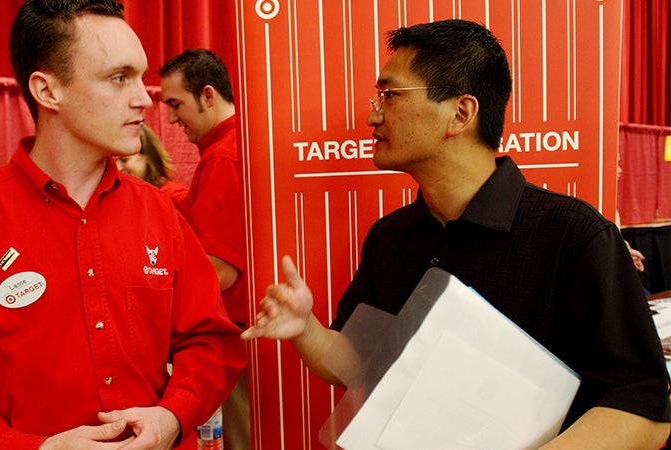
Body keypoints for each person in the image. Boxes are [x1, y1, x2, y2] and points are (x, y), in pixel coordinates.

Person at [243, 19, 671, 448]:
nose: (373, 114)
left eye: (389, 95)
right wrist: (305, 329)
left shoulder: (573, 236)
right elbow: (360, 362)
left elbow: (645, 411)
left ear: (460, 114)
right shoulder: (391, 237)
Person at [0, 1, 244, 449]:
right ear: (48, 92)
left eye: (141, 78)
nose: (145, 98)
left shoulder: (160, 214)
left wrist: (172, 416)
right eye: (118, 77)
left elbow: (211, 344)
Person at [159, 49, 249, 450]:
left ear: (208, 96)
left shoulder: (224, 157)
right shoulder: (229, 148)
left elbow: (221, 270)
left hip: (235, 331)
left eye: (176, 104)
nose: (173, 119)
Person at [116, 124, 189, 209]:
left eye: (124, 160)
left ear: (147, 156)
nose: (117, 167)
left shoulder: (173, 197)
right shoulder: (119, 199)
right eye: (112, 162)